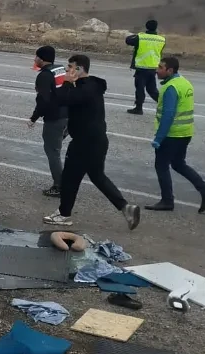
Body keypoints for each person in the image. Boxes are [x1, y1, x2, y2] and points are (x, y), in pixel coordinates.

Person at [43, 54, 141, 230]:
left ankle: (64, 214)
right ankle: (126, 208)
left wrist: (66, 82)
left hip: (84, 142)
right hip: (97, 140)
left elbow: (60, 100)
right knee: (97, 176)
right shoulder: (92, 86)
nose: (67, 70)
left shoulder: (82, 90)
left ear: (79, 69)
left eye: (70, 67)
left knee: (69, 178)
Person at [145, 57, 205, 213]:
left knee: (161, 166)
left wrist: (159, 138)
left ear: (170, 70)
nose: (157, 70)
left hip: (172, 134)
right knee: (179, 164)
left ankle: (167, 200)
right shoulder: (184, 82)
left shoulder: (171, 87)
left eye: (160, 67)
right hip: (185, 132)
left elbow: (168, 114)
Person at [27, 45, 67, 197]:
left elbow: (43, 101)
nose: (34, 59)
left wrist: (33, 118)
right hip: (67, 115)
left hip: (55, 118)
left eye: (36, 56)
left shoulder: (44, 75)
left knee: (53, 152)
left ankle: (60, 186)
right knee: (56, 147)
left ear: (42, 59)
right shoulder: (60, 69)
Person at [125, 19, 165, 115]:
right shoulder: (161, 39)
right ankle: (165, 105)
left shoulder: (141, 37)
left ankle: (139, 108)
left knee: (140, 88)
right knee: (152, 89)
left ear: (146, 27)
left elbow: (128, 40)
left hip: (142, 67)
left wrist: (139, 34)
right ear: (156, 27)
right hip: (153, 67)